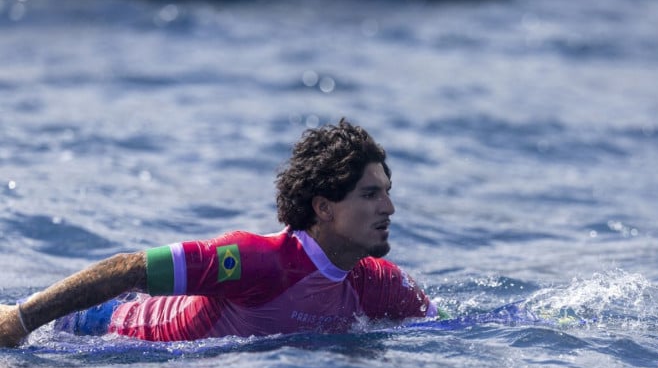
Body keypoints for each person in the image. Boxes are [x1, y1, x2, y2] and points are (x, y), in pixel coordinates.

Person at [0, 119, 438, 347]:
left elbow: (457, 331)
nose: (390, 208)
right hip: (97, 329)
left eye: (387, 192)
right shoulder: (257, 260)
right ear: (323, 208)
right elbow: (129, 268)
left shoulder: (380, 283)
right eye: (370, 194)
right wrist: (20, 320)